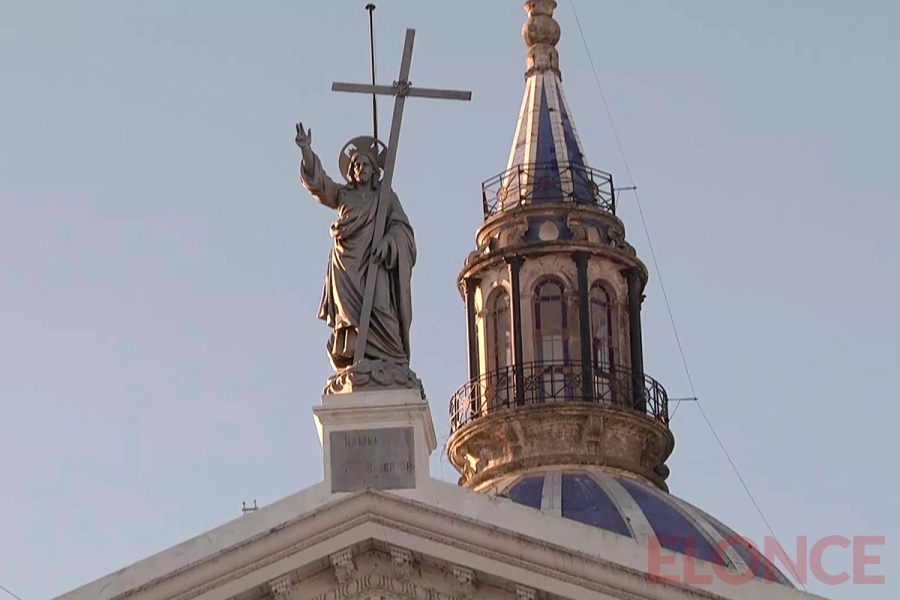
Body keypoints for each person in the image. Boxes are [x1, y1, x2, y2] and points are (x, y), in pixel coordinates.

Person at [295, 122, 416, 372]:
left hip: (375, 261)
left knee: (382, 309)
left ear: (375, 170)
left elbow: (402, 229)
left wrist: (389, 242)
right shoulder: (343, 195)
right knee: (350, 318)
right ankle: (355, 359)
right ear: (351, 171)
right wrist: (306, 150)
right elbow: (319, 184)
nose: (361, 169)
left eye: (366, 165)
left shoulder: (385, 198)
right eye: (357, 165)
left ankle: (392, 361)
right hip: (346, 265)